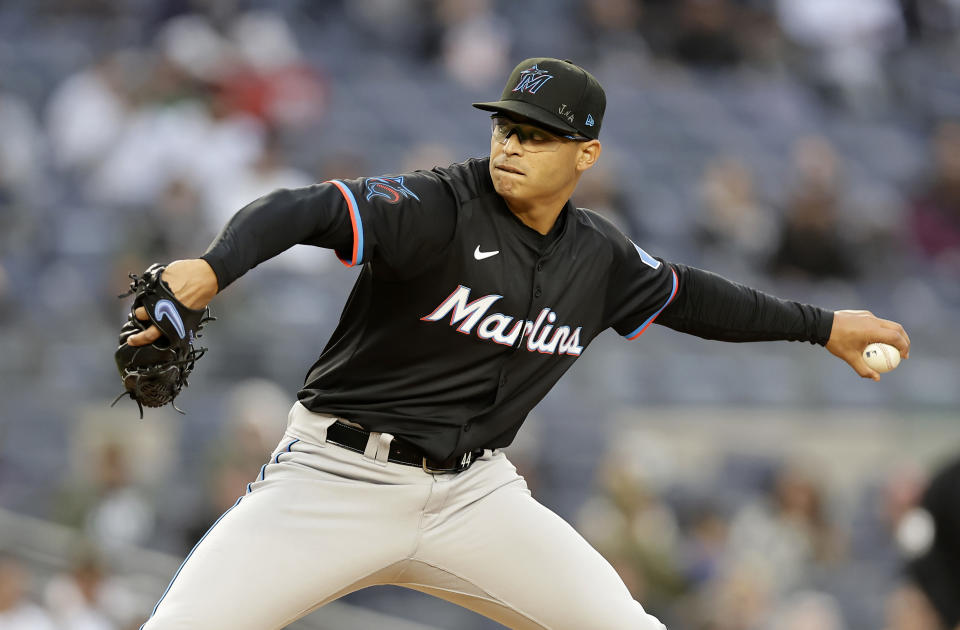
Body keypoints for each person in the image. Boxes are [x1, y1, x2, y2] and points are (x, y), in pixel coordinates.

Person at [125, 58, 910, 629]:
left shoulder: (598, 258)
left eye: (538, 135)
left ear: (586, 154)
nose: (511, 145)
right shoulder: (438, 205)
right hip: (333, 478)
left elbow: (698, 298)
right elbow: (303, 208)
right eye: (506, 126)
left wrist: (825, 326)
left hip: (476, 497)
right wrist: (214, 266)